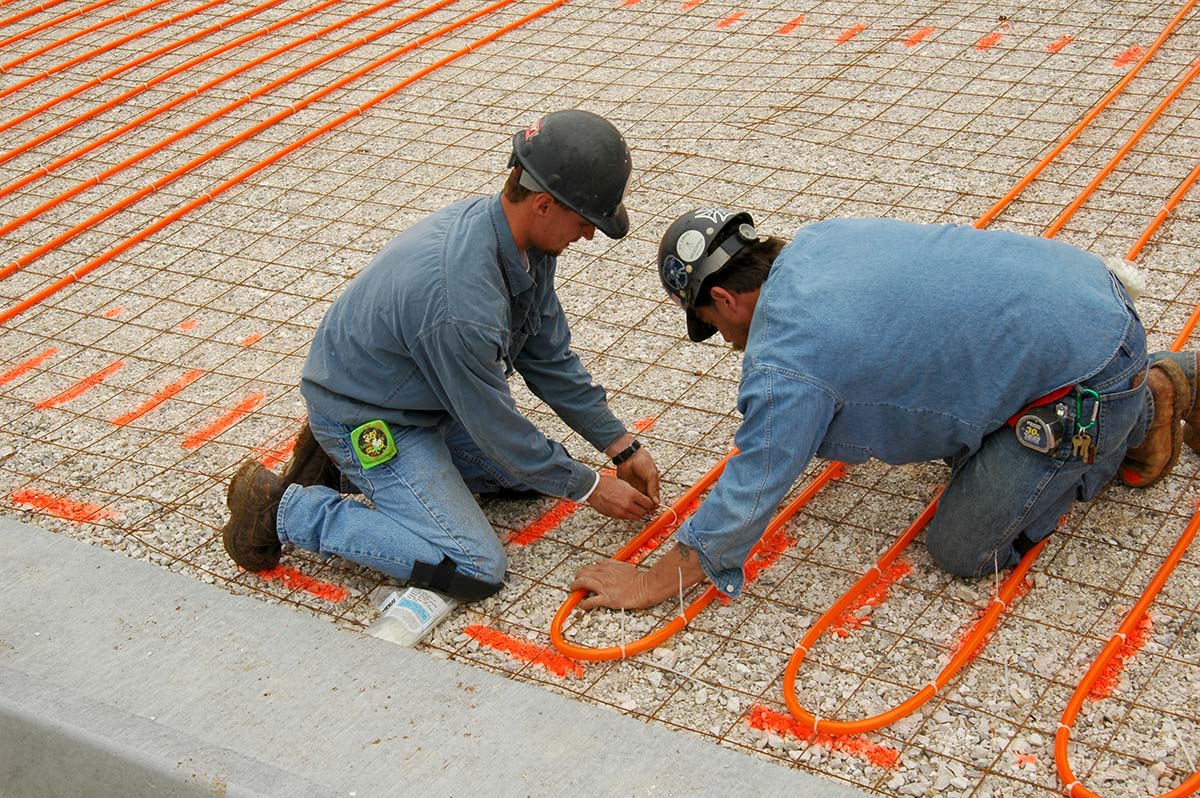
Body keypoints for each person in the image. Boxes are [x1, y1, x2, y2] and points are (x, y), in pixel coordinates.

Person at [572, 208, 1199, 610]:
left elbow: (757, 477)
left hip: (1087, 369)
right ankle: (1136, 391)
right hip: (1081, 291)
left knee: (963, 550)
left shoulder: (787, 358)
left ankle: (1141, 406)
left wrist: (657, 579)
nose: (730, 343)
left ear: (724, 298)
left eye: (711, 323)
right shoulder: (820, 240)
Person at [221, 110, 661, 601]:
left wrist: (621, 446)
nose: (588, 236)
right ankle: (283, 508)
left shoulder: (524, 245)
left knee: (527, 478)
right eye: (584, 222)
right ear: (542, 204)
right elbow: (495, 424)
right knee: (474, 566)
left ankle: (346, 471)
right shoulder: (460, 302)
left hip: (426, 399)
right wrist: (588, 487)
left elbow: (547, 357)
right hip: (370, 415)